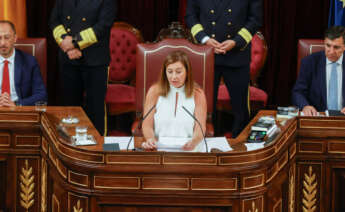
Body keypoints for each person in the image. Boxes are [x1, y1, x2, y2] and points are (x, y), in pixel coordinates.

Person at [185, 0, 262, 137]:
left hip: (237, 56)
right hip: (207, 56)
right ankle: (204, 144)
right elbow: (191, 17)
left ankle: (239, 146)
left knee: (241, 109)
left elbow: (255, 20)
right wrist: (204, 39)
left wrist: (236, 41)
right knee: (204, 106)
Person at [49, 0, 116, 135]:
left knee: (95, 109)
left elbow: (103, 26)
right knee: (70, 109)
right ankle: (71, 148)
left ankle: (97, 148)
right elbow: (54, 21)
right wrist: (66, 44)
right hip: (69, 59)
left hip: (95, 61)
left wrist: (74, 43)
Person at [141, 51, 207, 151]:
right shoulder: (154, 91)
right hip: (160, 147)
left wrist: (194, 142)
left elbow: (200, 128)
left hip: (188, 147)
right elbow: (147, 125)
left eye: (179, 72)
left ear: (187, 72)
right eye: (170, 71)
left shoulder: (198, 94)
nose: (173, 77)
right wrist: (150, 139)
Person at [292, 26, 345, 116]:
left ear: (344, 47)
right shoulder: (310, 62)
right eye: (328, 45)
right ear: (324, 43)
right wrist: (305, 106)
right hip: (318, 117)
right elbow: (298, 92)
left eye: (336, 47)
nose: (331, 51)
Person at [0, 20, 47, 107]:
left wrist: (17, 104)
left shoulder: (29, 61)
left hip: (19, 109)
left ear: (15, 38)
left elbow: (41, 95)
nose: (2, 43)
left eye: (7, 37)